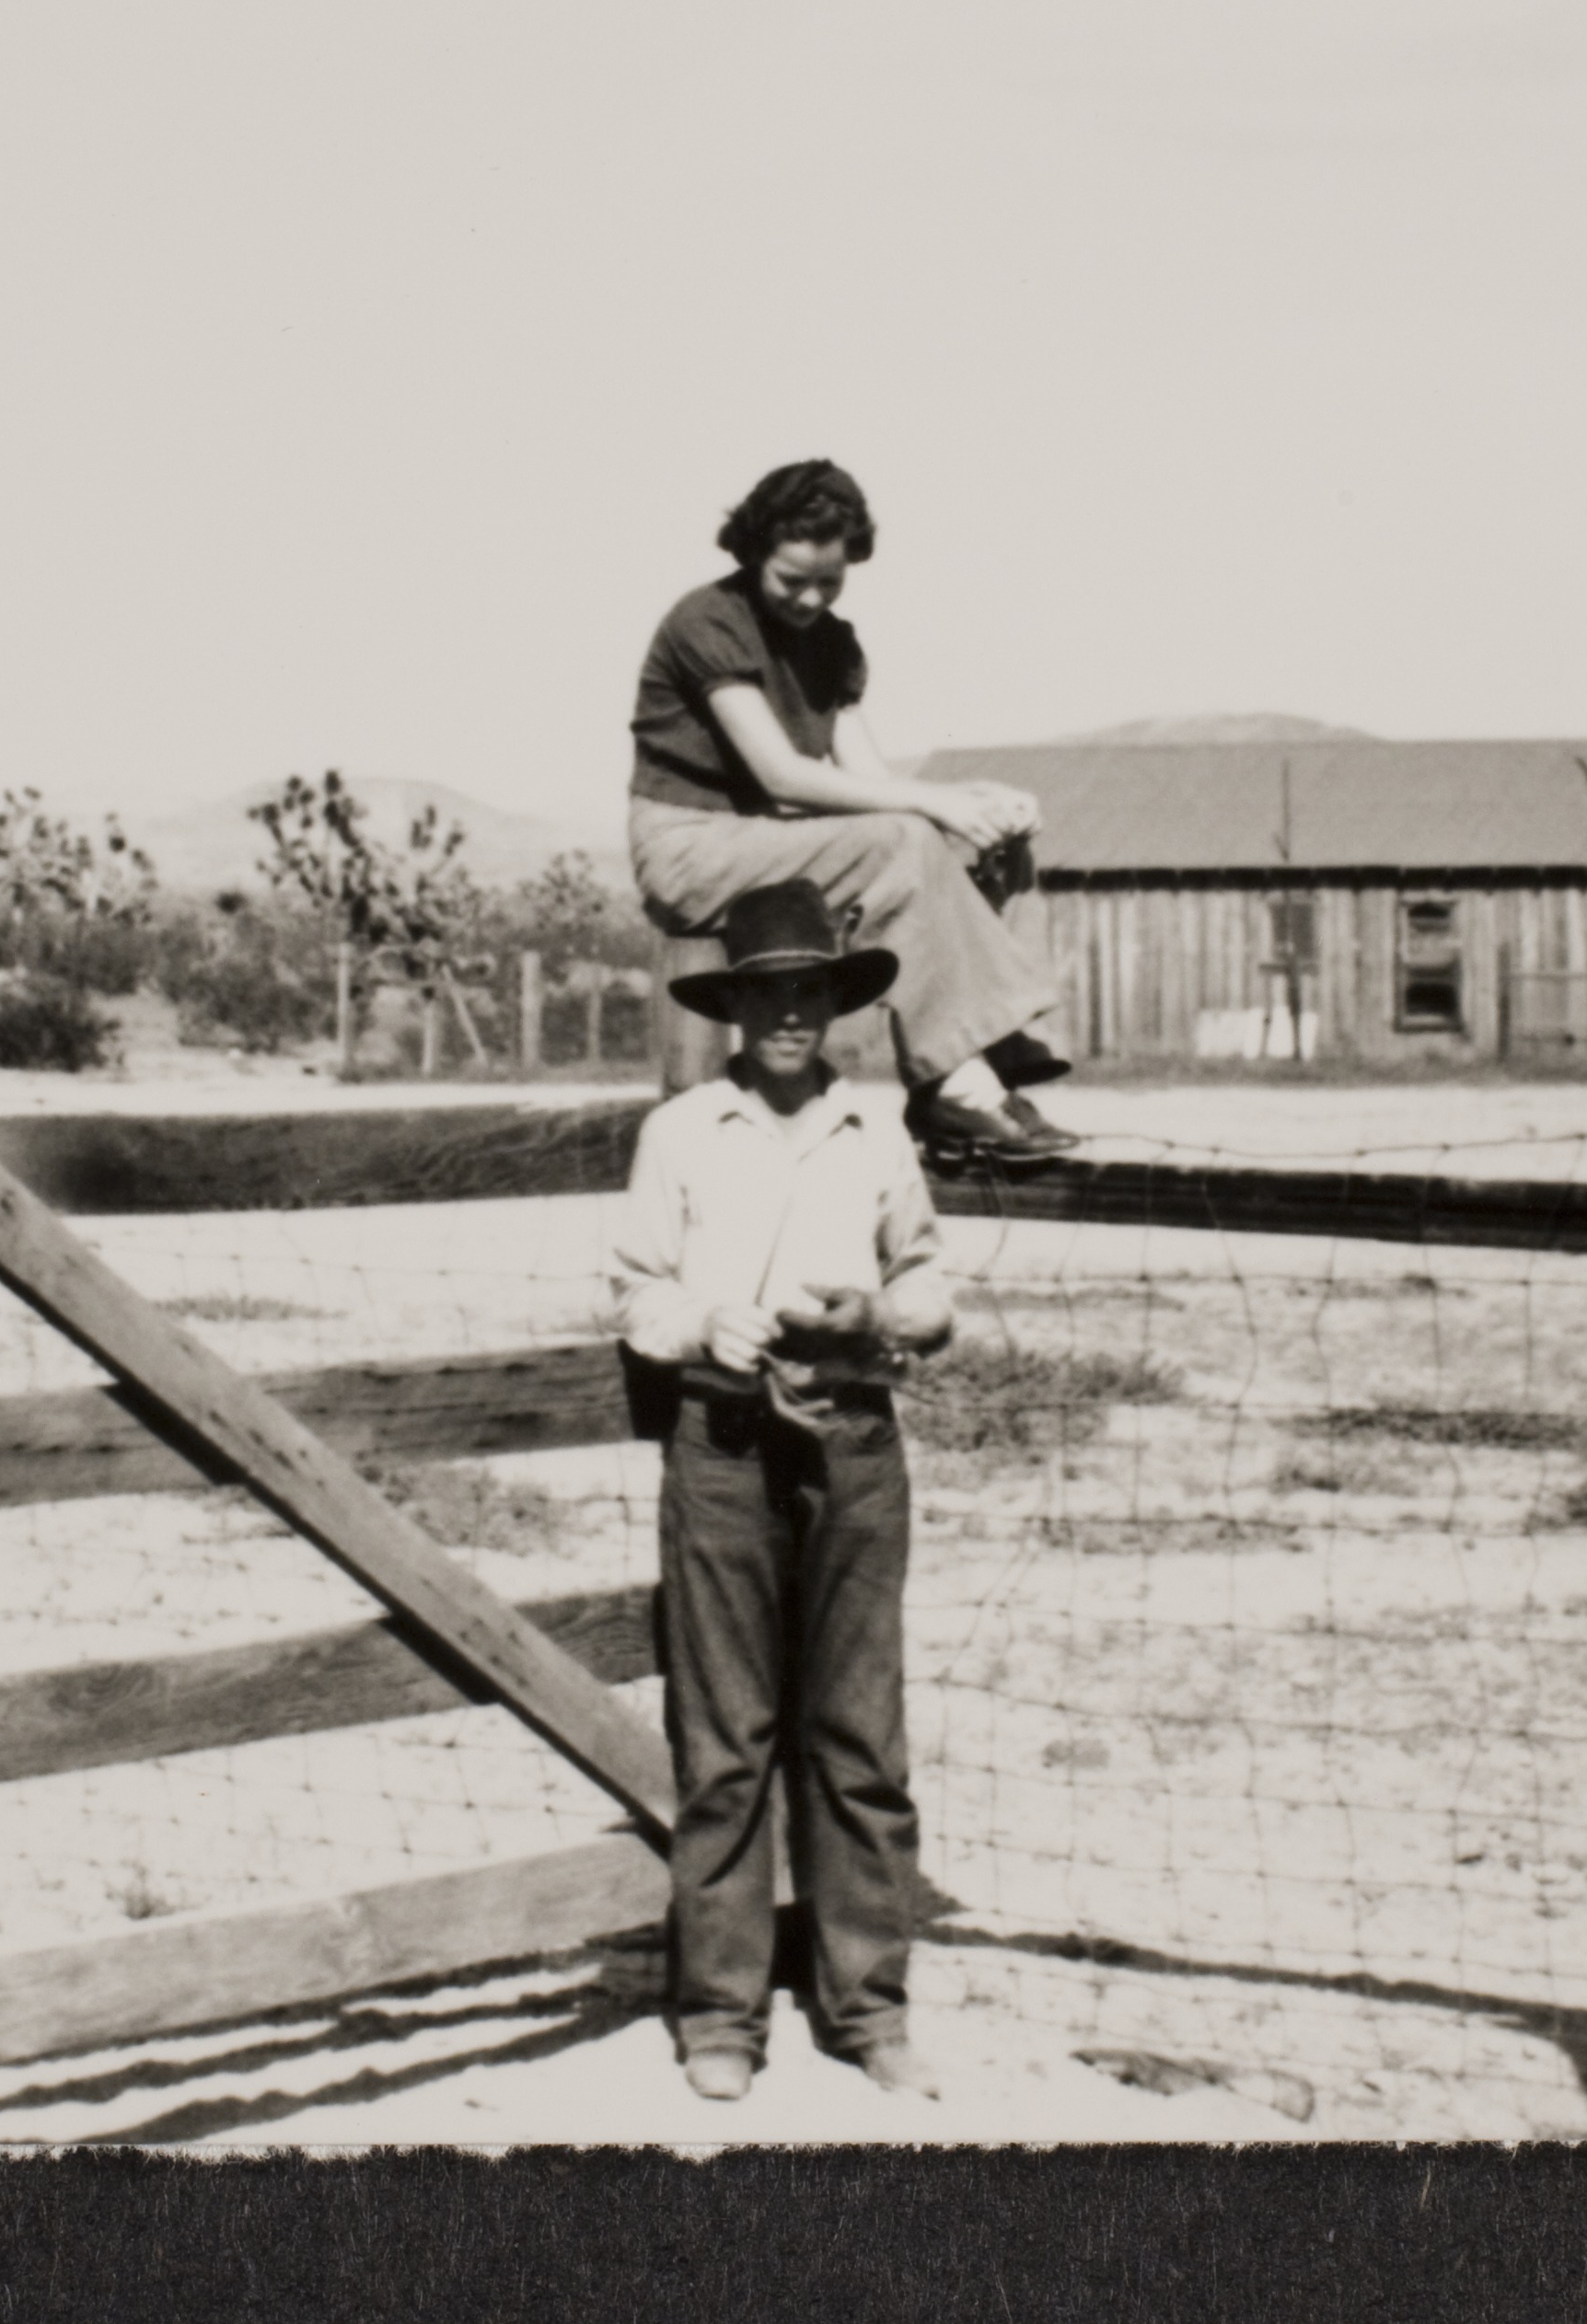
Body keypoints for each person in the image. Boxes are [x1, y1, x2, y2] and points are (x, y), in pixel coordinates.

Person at [606, 878, 961, 2103]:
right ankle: (720, 2013)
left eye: (810, 990)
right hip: (723, 1445)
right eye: (769, 993)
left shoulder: (878, 1134)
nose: (790, 1015)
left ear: (835, 1003)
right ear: (736, 1008)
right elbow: (635, 1291)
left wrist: (878, 1314)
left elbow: (930, 1286)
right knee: (725, 1743)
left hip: (856, 1443)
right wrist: (710, 1324)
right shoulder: (684, 1133)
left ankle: (868, 2008)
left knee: (859, 1734)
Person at [627, 457, 1075, 1165]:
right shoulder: (705, 620)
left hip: (776, 841)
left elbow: (867, 779)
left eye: (828, 582)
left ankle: (997, 1053)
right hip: (694, 848)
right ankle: (957, 1081)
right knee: (907, 833)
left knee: (992, 842)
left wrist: (976, 804)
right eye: (791, 579)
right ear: (753, 555)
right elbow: (784, 775)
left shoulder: (833, 643)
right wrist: (936, 801)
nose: (809, 599)